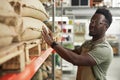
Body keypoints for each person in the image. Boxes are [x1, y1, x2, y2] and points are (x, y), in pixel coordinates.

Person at [41, 7, 113, 80]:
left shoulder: (104, 49)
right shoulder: (88, 43)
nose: (92, 25)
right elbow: (73, 53)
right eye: (92, 21)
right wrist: (54, 43)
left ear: (106, 27)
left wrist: (53, 44)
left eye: (97, 22)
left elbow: (76, 60)